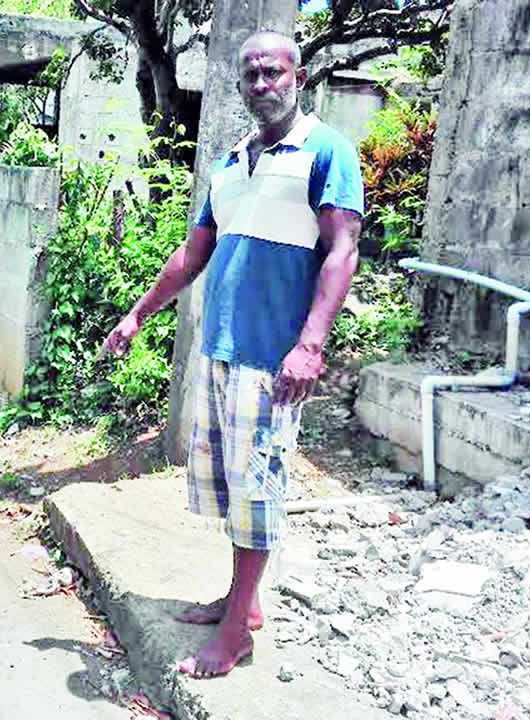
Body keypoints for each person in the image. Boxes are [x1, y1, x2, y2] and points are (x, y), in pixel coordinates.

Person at [102, 29, 364, 678]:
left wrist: (310, 346)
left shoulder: (326, 151)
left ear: (297, 78)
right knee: (232, 491)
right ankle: (239, 605)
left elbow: (342, 251)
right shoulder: (231, 161)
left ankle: (235, 636)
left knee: (258, 491)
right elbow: (193, 255)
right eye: (250, 76)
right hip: (220, 352)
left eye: (272, 73)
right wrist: (138, 315)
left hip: (273, 362)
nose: (261, 86)